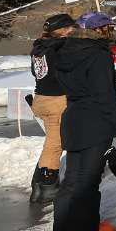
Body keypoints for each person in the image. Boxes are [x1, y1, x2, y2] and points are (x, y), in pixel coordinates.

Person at [50, 11, 116, 231]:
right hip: (94, 121)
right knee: (87, 181)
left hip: (73, 118)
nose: (110, 34)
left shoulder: (63, 51)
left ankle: (64, 229)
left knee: (72, 179)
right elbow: (104, 95)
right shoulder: (97, 54)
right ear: (99, 30)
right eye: (108, 29)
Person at [27, 13, 75, 202]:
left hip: (41, 98)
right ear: (61, 29)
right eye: (69, 27)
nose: (71, 30)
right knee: (56, 144)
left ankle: (37, 184)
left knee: (51, 142)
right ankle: (48, 185)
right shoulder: (59, 47)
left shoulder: (38, 47)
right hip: (55, 100)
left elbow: (35, 72)